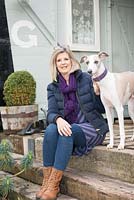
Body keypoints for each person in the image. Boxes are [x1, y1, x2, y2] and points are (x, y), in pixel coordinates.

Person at [36, 46, 109, 200]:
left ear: (72, 61)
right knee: (50, 130)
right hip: (69, 128)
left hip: (92, 127)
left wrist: (98, 94)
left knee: (68, 131)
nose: (63, 63)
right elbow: (51, 112)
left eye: (65, 59)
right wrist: (58, 119)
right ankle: (48, 183)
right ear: (55, 65)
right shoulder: (52, 87)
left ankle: (54, 185)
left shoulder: (86, 79)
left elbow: (102, 108)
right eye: (59, 60)